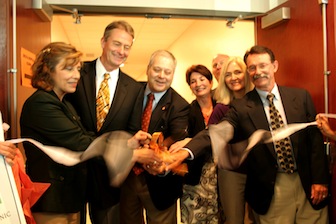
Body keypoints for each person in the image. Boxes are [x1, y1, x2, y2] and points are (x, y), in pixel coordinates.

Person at [167, 45, 330, 224]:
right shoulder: (241, 107)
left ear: (274, 66)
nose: (258, 71)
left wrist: (320, 179)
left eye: (262, 65)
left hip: (307, 182)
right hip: (273, 187)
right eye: (252, 67)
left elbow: (315, 142)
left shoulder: (300, 97)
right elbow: (216, 131)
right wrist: (186, 151)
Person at [66, 20, 144, 224]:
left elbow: (131, 131)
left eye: (127, 47)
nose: (122, 51)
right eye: (117, 44)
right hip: (73, 170)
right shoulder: (76, 74)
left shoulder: (134, 88)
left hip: (108, 178)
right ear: (103, 42)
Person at [119, 50, 190, 224]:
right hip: (127, 177)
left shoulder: (180, 105)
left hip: (159, 181)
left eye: (168, 72)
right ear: (148, 69)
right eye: (157, 69)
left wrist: (150, 153)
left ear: (173, 74)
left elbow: (176, 136)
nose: (161, 76)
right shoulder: (129, 94)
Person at [209, 56, 255, 224]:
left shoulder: (258, 103)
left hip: (258, 169)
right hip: (231, 172)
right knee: (234, 219)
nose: (233, 78)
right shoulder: (221, 108)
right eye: (228, 74)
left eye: (238, 72)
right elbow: (211, 140)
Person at [179, 64, 219, 223]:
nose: (198, 84)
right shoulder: (186, 111)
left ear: (210, 82)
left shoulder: (222, 106)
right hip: (196, 176)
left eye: (202, 79)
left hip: (220, 174)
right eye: (193, 81)